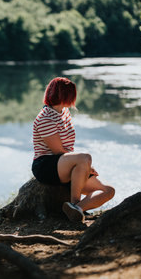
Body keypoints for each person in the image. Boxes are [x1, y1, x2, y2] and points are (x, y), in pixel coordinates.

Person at [32, 77, 115, 222]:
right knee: (85, 157)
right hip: (46, 165)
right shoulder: (45, 118)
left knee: (108, 190)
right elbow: (58, 151)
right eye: (71, 95)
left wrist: (83, 165)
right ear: (64, 95)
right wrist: (85, 164)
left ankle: (77, 209)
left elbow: (68, 150)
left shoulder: (64, 113)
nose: (73, 99)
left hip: (65, 163)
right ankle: (74, 203)